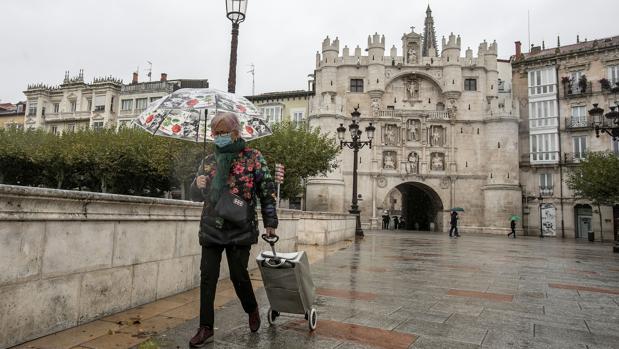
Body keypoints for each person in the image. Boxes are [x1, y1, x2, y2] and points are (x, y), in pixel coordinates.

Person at [189, 112, 278, 347]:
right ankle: (205, 327)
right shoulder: (209, 160)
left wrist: (270, 223)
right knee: (208, 277)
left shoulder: (253, 158)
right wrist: (197, 186)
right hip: (211, 225)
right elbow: (196, 196)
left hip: (240, 227)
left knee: (239, 275)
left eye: (223, 133)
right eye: (216, 133)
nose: (219, 137)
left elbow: (267, 192)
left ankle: (251, 308)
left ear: (236, 132)